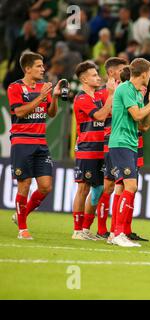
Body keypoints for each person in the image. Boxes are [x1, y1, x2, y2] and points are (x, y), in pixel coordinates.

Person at [108, 58, 150, 247]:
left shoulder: (137, 94)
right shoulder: (125, 88)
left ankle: (115, 234)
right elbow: (137, 115)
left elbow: (145, 125)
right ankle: (118, 234)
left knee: (125, 187)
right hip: (121, 143)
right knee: (130, 187)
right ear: (143, 73)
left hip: (131, 143)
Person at [8, 51, 62, 239]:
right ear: (28, 68)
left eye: (43, 65)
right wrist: (40, 97)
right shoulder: (15, 87)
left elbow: (52, 113)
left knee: (46, 186)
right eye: (39, 66)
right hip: (22, 141)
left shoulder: (43, 87)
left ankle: (20, 214)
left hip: (41, 142)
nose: (43, 69)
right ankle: (22, 229)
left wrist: (53, 97)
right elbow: (20, 112)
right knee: (24, 185)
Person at [71, 61, 114, 241]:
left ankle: (86, 228)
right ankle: (77, 230)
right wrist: (111, 94)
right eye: (94, 75)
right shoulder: (82, 98)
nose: (98, 77)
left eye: (98, 74)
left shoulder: (97, 97)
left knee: (98, 189)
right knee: (83, 188)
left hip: (99, 149)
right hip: (87, 149)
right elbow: (100, 116)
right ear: (84, 79)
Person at [93, 57, 127, 240]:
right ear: (112, 72)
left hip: (119, 140)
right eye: (122, 69)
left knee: (115, 184)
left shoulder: (122, 89)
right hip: (110, 141)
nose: (126, 71)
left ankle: (113, 229)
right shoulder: (104, 93)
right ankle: (103, 229)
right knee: (110, 185)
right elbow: (109, 113)